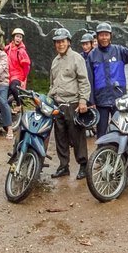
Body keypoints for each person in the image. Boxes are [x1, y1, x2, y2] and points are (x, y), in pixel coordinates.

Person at [87, 22, 128, 137]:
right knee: (101, 132)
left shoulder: (119, 50)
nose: (104, 38)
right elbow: (89, 79)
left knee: (120, 130)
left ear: (110, 36)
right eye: (101, 35)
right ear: (97, 37)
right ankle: (102, 149)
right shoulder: (92, 55)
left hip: (118, 98)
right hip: (101, 100)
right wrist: (91, 101)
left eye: (106, 35)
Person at [48, 28, 92, 180]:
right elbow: (52, 83)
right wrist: (49, 100)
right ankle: (63, 166)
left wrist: (83, 101)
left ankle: (83, 165)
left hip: (73, 104)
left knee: (77, 137)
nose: (60, 44)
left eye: (62, 41)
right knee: (60, 137)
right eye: (57, 42)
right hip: (58, 104)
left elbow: (84, 81)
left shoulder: (77, 58)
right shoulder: (55, 61)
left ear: (68, 42)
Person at [4, 27, 32, 110]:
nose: (18, 38)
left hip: (18, 76)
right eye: (17, 36)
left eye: (20, 37)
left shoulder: (21, 51)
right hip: (7, 75)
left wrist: (23, 79)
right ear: (13, 37)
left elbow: (26, 66)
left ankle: (19, 104)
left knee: (13, 87)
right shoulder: (8, 48)